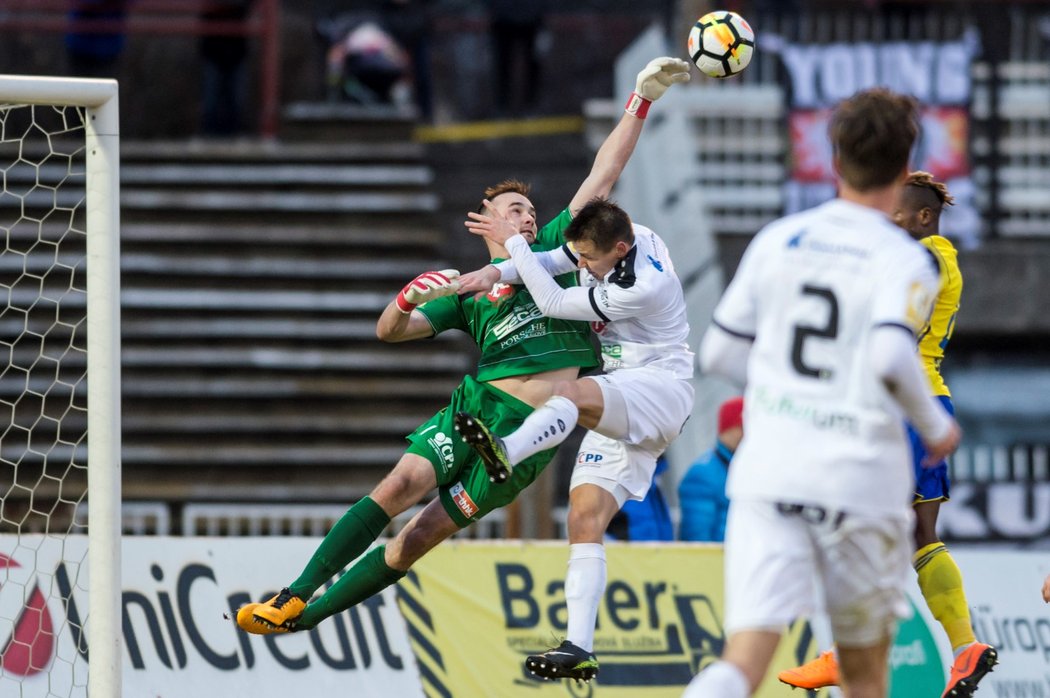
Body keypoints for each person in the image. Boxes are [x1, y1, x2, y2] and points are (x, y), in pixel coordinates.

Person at [233, 56, 690, 636]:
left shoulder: (559, 250)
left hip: (531, 427)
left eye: (529, 211)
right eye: (513, 211)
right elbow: (389, 334)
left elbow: (604, 173)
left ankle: (309, 619)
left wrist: (639, 101)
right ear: (485, 224)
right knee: (397, 485)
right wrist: (402, 302)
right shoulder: (467, 289)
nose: (527, 219)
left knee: (418, 537)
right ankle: (293, 596)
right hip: (476, 408)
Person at [684, 87, 962, 698]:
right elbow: (892, 354)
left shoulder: (778, 240)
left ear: (833, 160)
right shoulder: (906, 259)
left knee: (744, 658)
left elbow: (720, 354)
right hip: (860, 480)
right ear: (904, 161)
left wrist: (786, 384)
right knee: (863, 673)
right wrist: (936, 427)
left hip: (771, 472)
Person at [455, 197, 695, 683]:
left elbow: (553, 300)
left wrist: (515, 242)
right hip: (623, 391)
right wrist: (496, 272)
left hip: (660, 385)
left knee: (570, 392)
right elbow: (552, 263)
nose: (581, 266)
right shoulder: (610, 238)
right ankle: (579, 648)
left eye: (589, 261)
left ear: (621, 248)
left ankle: (508, 449)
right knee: (585, 517)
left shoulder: (644, 285)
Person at [777, 172, 997, 697]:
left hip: (903, 407)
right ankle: (965, 646)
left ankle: (844, 653)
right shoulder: (924, 258)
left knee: (851, 527)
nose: (886, 223)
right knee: (919, 536)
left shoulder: (933, 254)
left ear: (922, 217)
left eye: (895, 215)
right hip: (921, 405)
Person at [678, 396, 743, 543]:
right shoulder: (702, 474)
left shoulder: (742, 467)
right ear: (730, 428)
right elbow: (697, 539)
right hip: (719, 562)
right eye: (743, 427)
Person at [199, 0, 252, 136]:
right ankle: (209, 135)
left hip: (235, 51)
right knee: (211, 101)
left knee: (235, 100)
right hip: (214, 50)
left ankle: (232, 134)